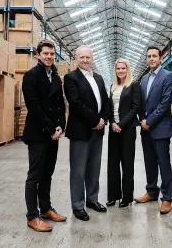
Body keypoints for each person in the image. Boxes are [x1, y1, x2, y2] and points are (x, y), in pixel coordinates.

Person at [22, 39, 67, 232]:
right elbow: (34, 107)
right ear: (37, 55)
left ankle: (46, 208)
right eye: (45, 54)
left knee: (48, 173)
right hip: (39, 133)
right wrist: (51, 130)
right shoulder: (31, 76)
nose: (49, 57)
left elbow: (60, 105)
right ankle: (32, 215)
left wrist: (61, 127)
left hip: (53, 133)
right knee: (35, 175)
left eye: (51, 54)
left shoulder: (55, 77)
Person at [64, 45, 110, 221]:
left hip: (98, 131)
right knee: (78, 170)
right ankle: (78, 205)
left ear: (92, 58)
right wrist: (95, 121)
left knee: (94, 168)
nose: (84, 60)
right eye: (81, 57)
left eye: (87, 57)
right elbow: (75, 104)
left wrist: (104, 120)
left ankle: (92, 200)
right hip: (80, 131)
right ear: (76, 59)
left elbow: (105, 101)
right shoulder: (70, 78)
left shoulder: (98, 78)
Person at [135, 46, 172, 215]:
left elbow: (166, 102)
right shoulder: (144, 79)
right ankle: (151, 191)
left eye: (154, 56)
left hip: (160, 128)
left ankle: (166, 198)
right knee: (149, 163)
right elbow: (139, 103)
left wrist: (149, 121)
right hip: (145, 129)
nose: (151, 59)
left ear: (160, 58)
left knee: (163, 164)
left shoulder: (168, 76)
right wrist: (142, 121)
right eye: (149, 56)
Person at [107, 59, 141, 208]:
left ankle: (127, 197)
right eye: (118, 68)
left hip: (127, 129)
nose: (120, 71)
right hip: (113, 129)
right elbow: (108, 108)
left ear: (128, 70)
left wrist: (121, 124)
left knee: (127, 164)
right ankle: (113, 196)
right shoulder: (112, 87)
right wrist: (113, 123)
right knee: (113, 163)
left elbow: (135, 108)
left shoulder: (134, 85)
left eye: (123, 68)